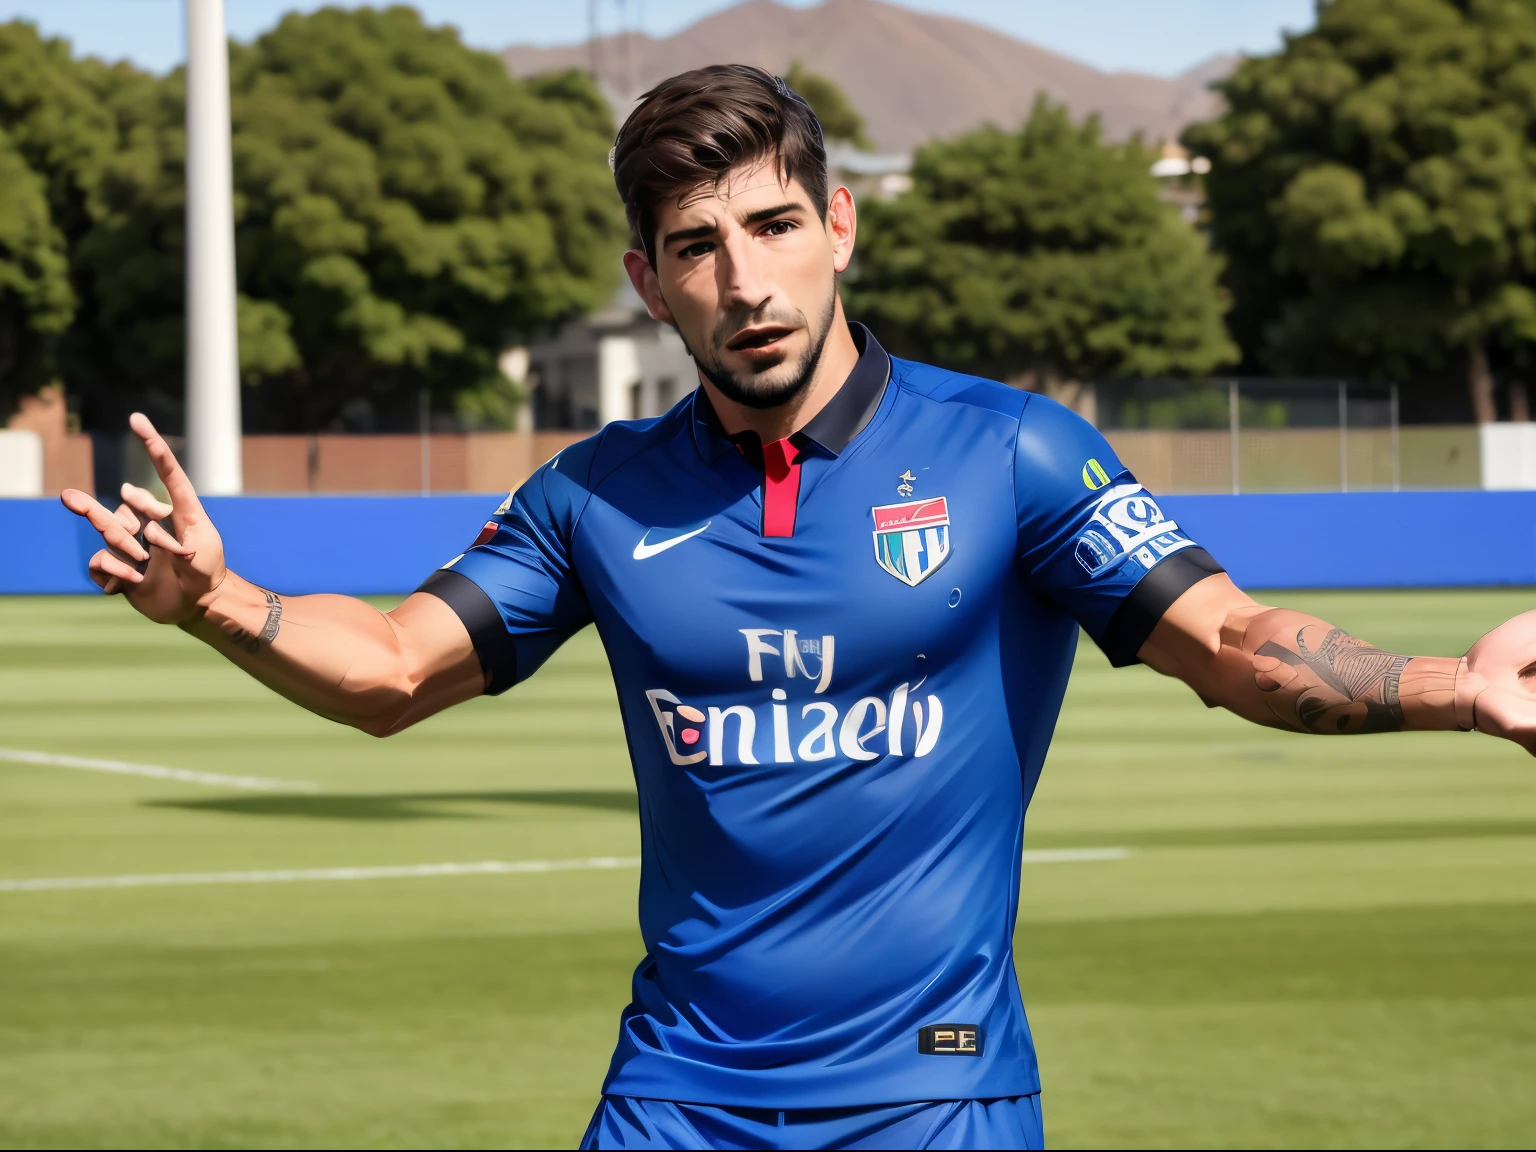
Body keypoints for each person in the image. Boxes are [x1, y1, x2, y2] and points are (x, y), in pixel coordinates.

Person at [61, 65, 1536, 1151]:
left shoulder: (1009, 451)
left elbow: (1226, 641)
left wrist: (1452, 686)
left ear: (838, 225)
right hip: (676, 1097)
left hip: (936, 1092)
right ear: (648, 282)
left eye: (772, 227)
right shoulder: (595, 493)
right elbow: (391, 666)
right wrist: (224, 603)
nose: (745, 281)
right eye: (698, 248)